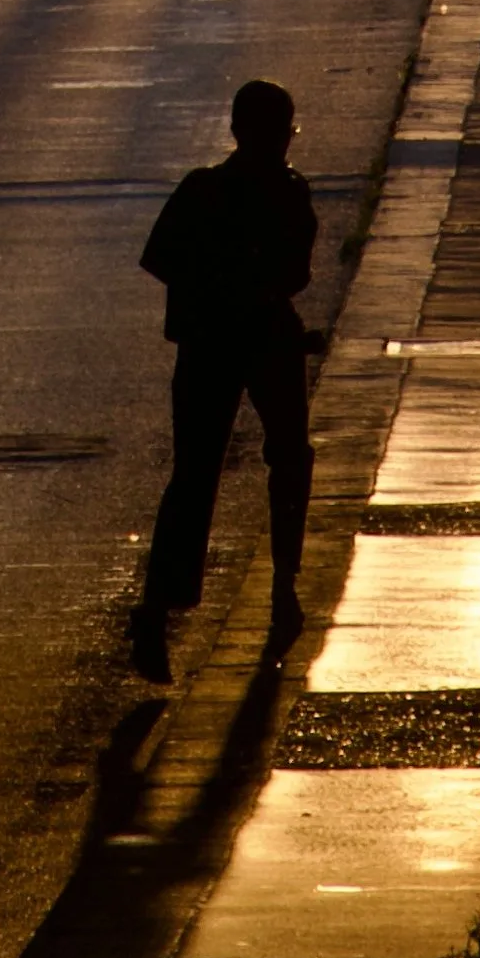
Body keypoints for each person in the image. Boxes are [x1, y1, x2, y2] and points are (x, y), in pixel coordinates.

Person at [128, 77, 319, 683]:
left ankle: (161, 608)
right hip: (264, 337)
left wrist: (209, 287)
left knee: (197, 475)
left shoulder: (204, 190)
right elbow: (297, 271)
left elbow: (159, 258)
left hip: (211, 342)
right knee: (286, 460)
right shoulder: (286, 194)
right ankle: (282, 587)